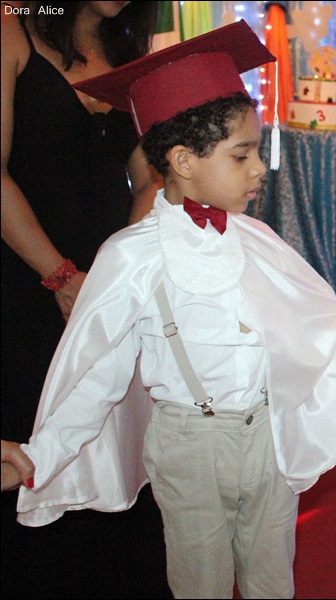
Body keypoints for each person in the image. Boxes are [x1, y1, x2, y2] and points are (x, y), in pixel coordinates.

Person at [4, 21, 336, 599]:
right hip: (190, 446)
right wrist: (41, 454)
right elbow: (96, 371)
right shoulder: (131, 255)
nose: (260, 168)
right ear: (183, 161)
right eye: (242, 155)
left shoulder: (257, 237)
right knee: (199, 583)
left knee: (272, 578)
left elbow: (308, 327)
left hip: (267, 436)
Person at [0, 2, 166, 597]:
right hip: (23, 283)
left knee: (113, 441)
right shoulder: (12, 25)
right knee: (33, 436)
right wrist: (60, 276)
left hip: (104, 292)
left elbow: (150, 179)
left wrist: (116, 277)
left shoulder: (130, 51)